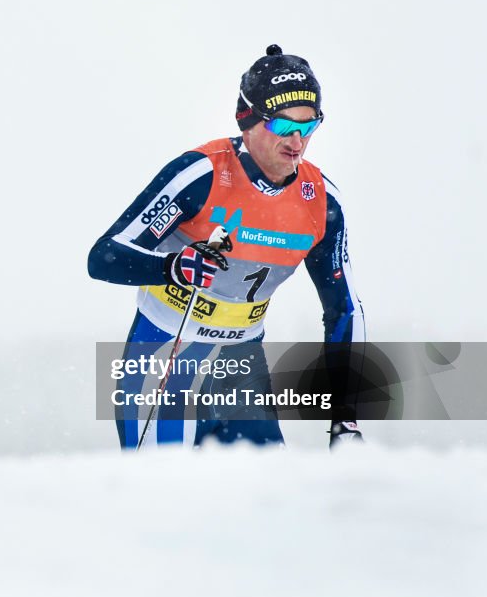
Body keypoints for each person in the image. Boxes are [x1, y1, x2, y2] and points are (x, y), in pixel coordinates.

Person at [88, 45, 364, 449]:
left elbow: (344, 308)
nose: (297, 142)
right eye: (284, 127)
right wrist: (173, 268)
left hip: (240, 369)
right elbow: (104, 256)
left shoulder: (321, 200)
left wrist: (345, 418)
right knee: (165, 501)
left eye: (308, 127)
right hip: (166, 355)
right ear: (248, 120)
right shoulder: (201, 173)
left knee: (273, 502)